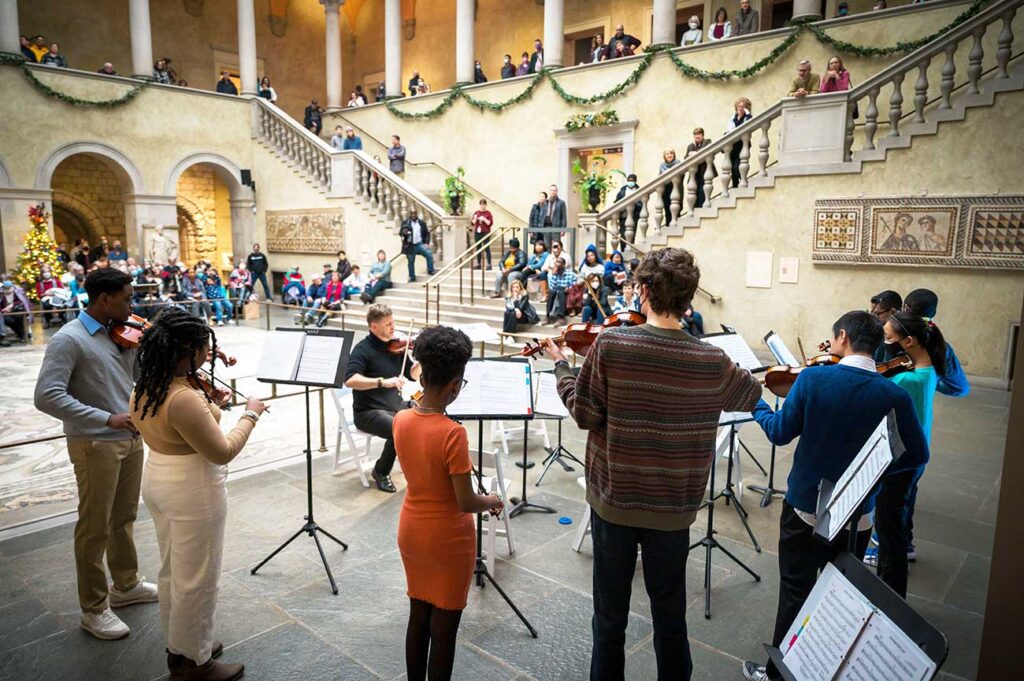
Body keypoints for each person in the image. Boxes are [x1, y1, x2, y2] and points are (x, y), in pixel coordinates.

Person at [543, 248, 761, 680]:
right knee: (670, 617)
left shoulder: (612, 344)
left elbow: (585, 414)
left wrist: (563, 370)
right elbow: (750, 394)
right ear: (688, 299)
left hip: (615, 501)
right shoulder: (711, 360)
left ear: (642, 292)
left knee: (609, 618)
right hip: (673, 509)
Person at [741, 311, 929, 681]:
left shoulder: (814, 378)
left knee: (796, 592)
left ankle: (780, 675)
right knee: (836, 597)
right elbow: (917, 455)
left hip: (806, 509)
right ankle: (826, 668)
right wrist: (873, 477)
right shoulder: (893, 393)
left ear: (842, 337)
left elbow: (779, 432)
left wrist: (756, 404)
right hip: (857, 517)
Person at [131, 306, 264, 680]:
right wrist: (249, 415)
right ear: (187, 349)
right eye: (204, 347)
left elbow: (180, 427)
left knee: (174, 570)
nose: (209, 353)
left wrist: (212, 409)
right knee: (200, 577)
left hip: (159, 477)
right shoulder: (184, 397)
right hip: (193, 488)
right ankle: (196, 664)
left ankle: (181, 646)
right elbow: (222, 451)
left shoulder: (149, 384)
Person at [33, 268, 159, 641]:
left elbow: (133, 378)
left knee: (124, 516)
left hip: (131, 436)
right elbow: (47, 396)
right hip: (95, 442)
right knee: (94, 526)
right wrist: (106, 417)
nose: (132, 305)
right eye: (127, 299)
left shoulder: (120, 333)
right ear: (104, 300)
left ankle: (126, 584)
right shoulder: (69, 340)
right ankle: (93, 607)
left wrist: (152, 349)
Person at [393, 325, 502, 681]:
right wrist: (493, 500)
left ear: (421, 372)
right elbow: (466, 501)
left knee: (417, 616)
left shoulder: (401, 419)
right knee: (444, 630)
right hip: (447, 540)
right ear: (455, 386)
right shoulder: (453, 433)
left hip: (411, 532)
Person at [862, 312, 945, 595]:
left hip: (899, 460)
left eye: (888, 339)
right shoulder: (927, 369)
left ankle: (891, 593)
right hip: (915, 454)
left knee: (889, 528)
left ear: (908, 341)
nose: (884, 345)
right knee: (893, 522)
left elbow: (872, 396)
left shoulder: (909, 380)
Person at [345, 304, 423, 493]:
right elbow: (350, 380)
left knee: (427, 416)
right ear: (373, 327)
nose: (393, 327)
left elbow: (413, 375)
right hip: (368, 411)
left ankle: (422, 471)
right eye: (388, 324)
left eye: (393, 322)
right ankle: (381, 470)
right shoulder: (362, 350)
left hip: (395, 406)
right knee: (401, 430)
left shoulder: (395, 348)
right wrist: (382, 382)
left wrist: (423, 359)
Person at [902, 288, 969, 397]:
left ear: (904, 308)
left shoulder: (891, 337)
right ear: (933, 313)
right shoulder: (941, 346)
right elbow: (961, 388)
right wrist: (932, 382)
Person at [543, 256, 578, 327]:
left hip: (566, 294)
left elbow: (574, 286)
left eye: (559, 262)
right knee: (552, 291)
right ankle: (547, 315)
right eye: (556, 262)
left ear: (563, 265)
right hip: (556, 293)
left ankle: (561, 318)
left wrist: (568, 288)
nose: (556, 264)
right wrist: (553, 274)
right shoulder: (553, 274)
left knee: (561, 290)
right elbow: (552, 287)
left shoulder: (571, 274)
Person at [726, 97, 753, 188]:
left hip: (742, 146)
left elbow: (749, 123)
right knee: (732, 169)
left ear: (746, 108)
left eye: (743, 107)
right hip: (733, 146)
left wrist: (748, 113)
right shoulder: (733, 118)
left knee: (737, 167)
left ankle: (741, 182)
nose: (740, 108)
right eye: (739, 106)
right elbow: (728, 130)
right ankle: (735, 186)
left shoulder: (747, 117)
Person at [401, 212, 435, 283]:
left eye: (415, 214)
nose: (413, 215)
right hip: (410, 246)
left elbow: (427, 233)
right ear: (410, 215)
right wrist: (404, 233)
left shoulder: (421, 223)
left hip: (419, 244)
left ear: (417, 215)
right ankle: (412, 277)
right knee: (410, 261)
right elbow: (400, 232)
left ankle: (430, 270)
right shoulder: (405, 223)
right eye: (412, 214)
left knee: (429, 254)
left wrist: (426, 243)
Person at [684, 128, 714, 209]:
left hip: (705, 171)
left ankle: (701, 208)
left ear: (702, 135)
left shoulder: (707, 141)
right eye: (695, 134)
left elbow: (705, 150)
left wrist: (694, 153)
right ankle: (695, 209)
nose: (697, 136)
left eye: (699, 134)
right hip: (694, 174)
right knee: (694, 193)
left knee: (703, 192)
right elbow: (686, 158)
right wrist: (692, 151)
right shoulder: (691, 146)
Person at [614, 174, 643, 247]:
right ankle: (623, 251)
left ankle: (630, 251)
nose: (630, 182)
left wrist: (633, 205)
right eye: (629, 180)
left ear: (635, 181)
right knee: (623, 236)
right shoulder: (622, 191)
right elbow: (616, 202)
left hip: (633, 217)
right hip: (623, 217)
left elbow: (641, 205)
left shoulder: (639, 191)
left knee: (632, 235)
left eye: (632, 181)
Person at [1, 277, 32, 342]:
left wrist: (12, 305)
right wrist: (4, 309)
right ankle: (21, 335)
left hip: (17, 309)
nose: (8, 289)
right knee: (9, 321)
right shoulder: (1, 293)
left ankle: (22, 336)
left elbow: (21, 301)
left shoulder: (17, 291)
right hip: (6, 312)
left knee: (19, 319)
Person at [658, 149, 681, 222]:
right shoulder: (662, 166)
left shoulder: (678, 163)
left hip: (675, 187)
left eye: (671, 153)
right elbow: (659, 177)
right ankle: (668, 225)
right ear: (664, 156)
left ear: (674, 155)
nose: (669, 155)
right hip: (665, 189)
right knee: (667, 210)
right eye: (667, 154)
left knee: (676, 209)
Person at [470, 198, 494, 269]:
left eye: (484, 204)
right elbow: (473, 223)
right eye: (481, 204)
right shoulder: (476, 213)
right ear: (479, 205)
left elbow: (490, 223)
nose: (482, 206)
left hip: (486, 232)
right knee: (478, 248)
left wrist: (484, 219)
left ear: (486, 205)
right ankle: (478, 263)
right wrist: (475, 218)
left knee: (487, 248)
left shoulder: (488, 213)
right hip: (477, 232)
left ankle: (489, 264)